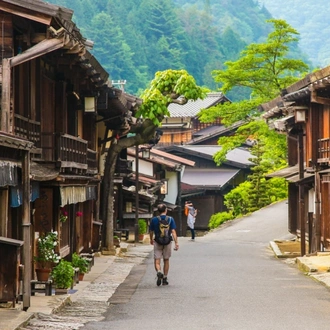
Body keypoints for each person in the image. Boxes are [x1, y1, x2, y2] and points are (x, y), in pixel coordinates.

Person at [149, 203, 179, 286]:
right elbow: (173, 231)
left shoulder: (154, 220)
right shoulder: (170, 219)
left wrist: (151, 239)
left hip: (157, 241)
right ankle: (165, 278)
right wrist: (176, 242)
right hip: (167, 242)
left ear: (158, 211)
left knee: (157, 260)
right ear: (166, 210)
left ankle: (159, 271)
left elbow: (151, 231)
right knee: (166, 260)